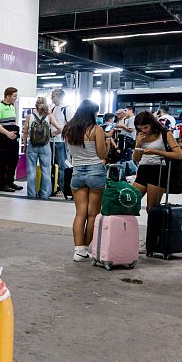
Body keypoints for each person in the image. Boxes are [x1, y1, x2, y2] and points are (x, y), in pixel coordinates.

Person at [132, 110, 182, 251]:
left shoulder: (165, 133)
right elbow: (136, 158)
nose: (143, 130)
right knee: (129, 201)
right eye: (140, 128)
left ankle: (152, 242)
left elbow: (178, 154)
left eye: (146, 127)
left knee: (152, 209)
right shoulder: (140, 135)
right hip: (143, 171)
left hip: (159, 171)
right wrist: (138, 143)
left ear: (152, 124)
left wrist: (155, 152)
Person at [63, 100, 108, 262]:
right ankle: (86, 248)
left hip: (77, 172)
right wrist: (107, 144)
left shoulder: (68, 129)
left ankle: (79, 250)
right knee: (92, 214)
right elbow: (102, 155)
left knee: (80, 213)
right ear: (92, 113)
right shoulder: (96, 129)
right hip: (95, 171)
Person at [22, 96, 59, 199]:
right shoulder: (49, 116)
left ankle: (31, 194)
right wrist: (51, 135)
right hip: (45, 146)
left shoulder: (29, 116)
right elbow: (60, 128)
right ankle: (44, 194)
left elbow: (25, 133)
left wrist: (25, 145)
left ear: (36, 105)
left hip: (32, 145)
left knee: (31, 171)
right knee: (46, 171)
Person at [0, 87, 22, 192]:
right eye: (14, 96)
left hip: (13, 137)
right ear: (8, 96)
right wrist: (7, 133)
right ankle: (2, 184)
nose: (16, 98)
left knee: (13, 160)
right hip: (4, 137)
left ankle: (10, 181)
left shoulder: (11, 107)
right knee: (4, 161)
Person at [49, 88, 73, 194]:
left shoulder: (66, 108)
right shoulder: (54, 108)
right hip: (51, 141)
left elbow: (70, 125)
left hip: (61, 141)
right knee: (53, 165)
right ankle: (55, 186)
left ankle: (63, 188)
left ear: (60, 97)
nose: (51, 98)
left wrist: (57, 132)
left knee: (62, 165)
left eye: (53, 96)